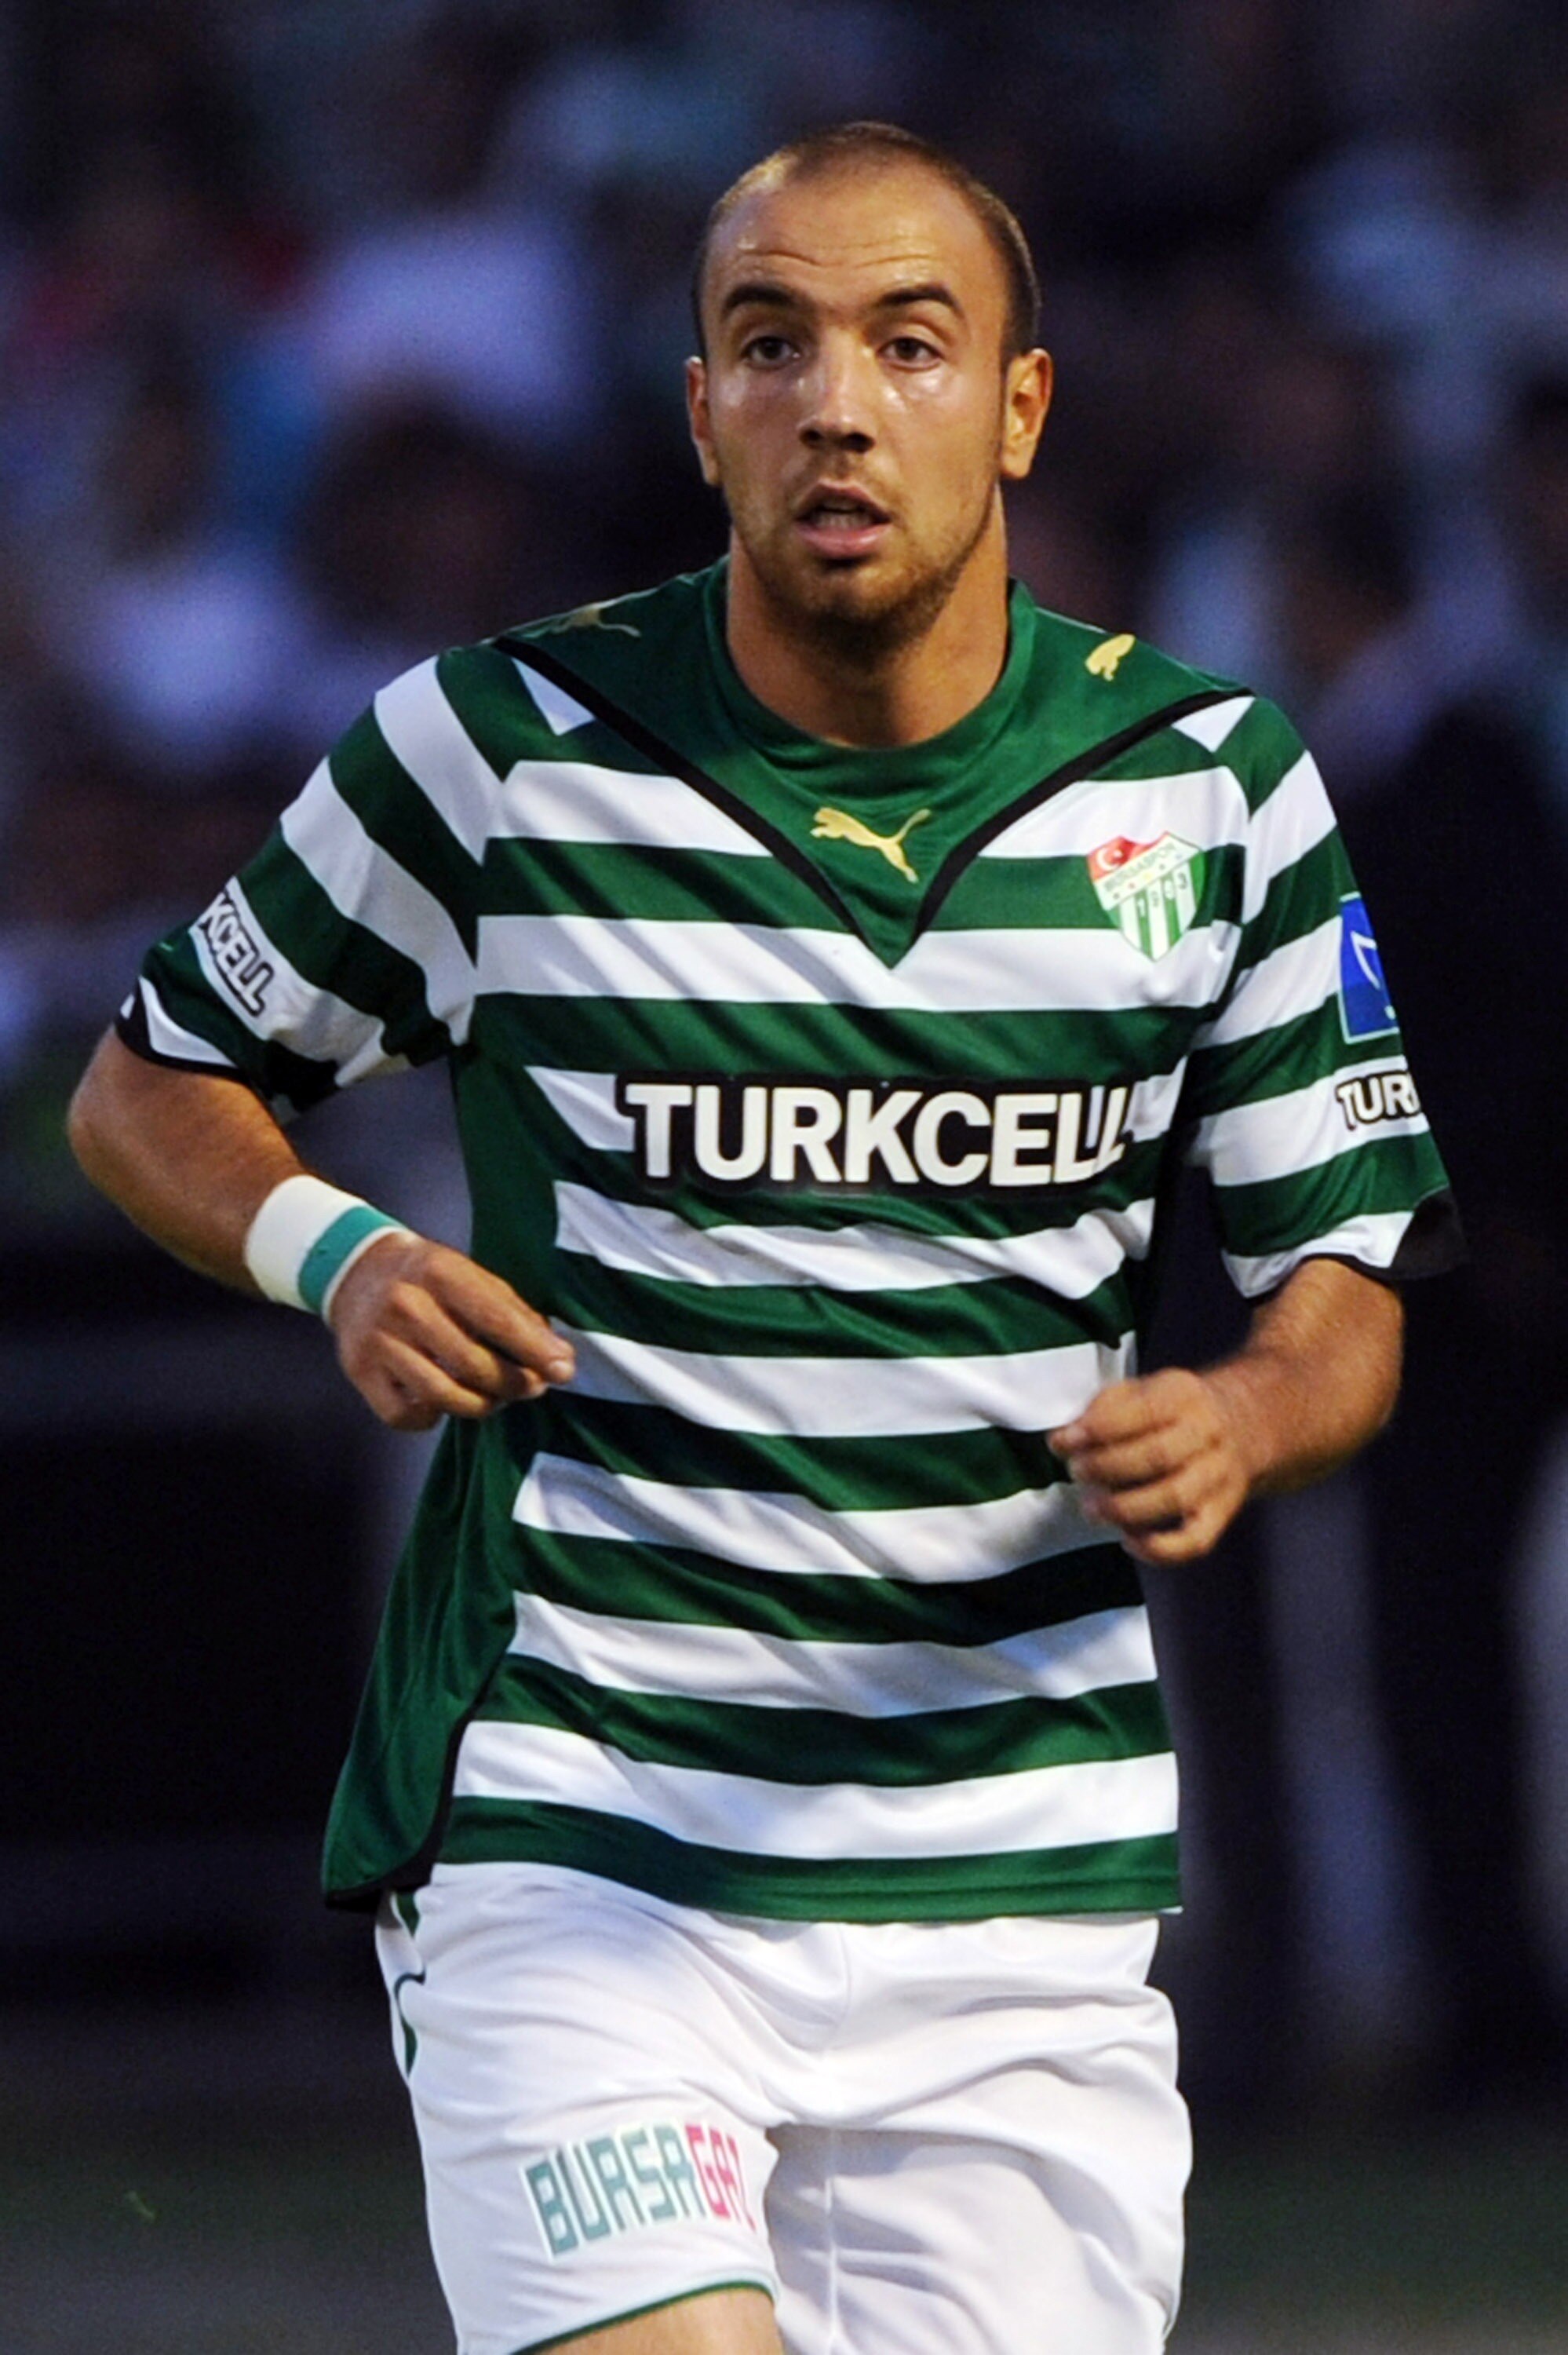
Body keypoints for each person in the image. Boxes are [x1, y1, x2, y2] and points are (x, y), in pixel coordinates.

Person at [68, 123, 1458, 2355]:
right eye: (768, 342)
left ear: (1017, 406)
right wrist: (335, 1249)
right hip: (588, 1833)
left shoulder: (1215, 793)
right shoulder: (501, 753)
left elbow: (1351, 1293)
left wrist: (1241, 1413)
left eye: (911, 344)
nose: (835, 399)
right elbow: (149, 1082)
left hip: (1014, 1898)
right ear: (699, 411)